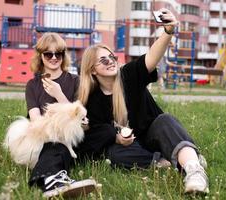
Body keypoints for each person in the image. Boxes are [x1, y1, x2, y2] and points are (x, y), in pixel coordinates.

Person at [78, 9, 209, 194]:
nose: (110, 61)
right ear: (92, 70)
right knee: (114, 154)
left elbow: (151, 58)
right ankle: (172, 162)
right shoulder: (91, 100)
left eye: (111, 57)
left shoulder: (128, 75)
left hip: (153, 136)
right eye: (103, 60)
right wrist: (116, 137)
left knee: (165, 121)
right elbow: (94, 136)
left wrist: (168, 32)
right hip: (132, 149)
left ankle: (195, 171)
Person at [25, 32, 115, 198]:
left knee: (107, 131)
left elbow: (83, 122)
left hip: (76, 137)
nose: (54, 58)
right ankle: (52, 179)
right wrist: (57, 126)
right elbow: (35, 120)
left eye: (58, 53)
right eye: (48, 54)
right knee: (56, 139)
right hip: (48, 138)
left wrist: (58, 94)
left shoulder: (75, 81)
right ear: (40, 56)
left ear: (63, 55)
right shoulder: (32, 85)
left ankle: (61, 166)